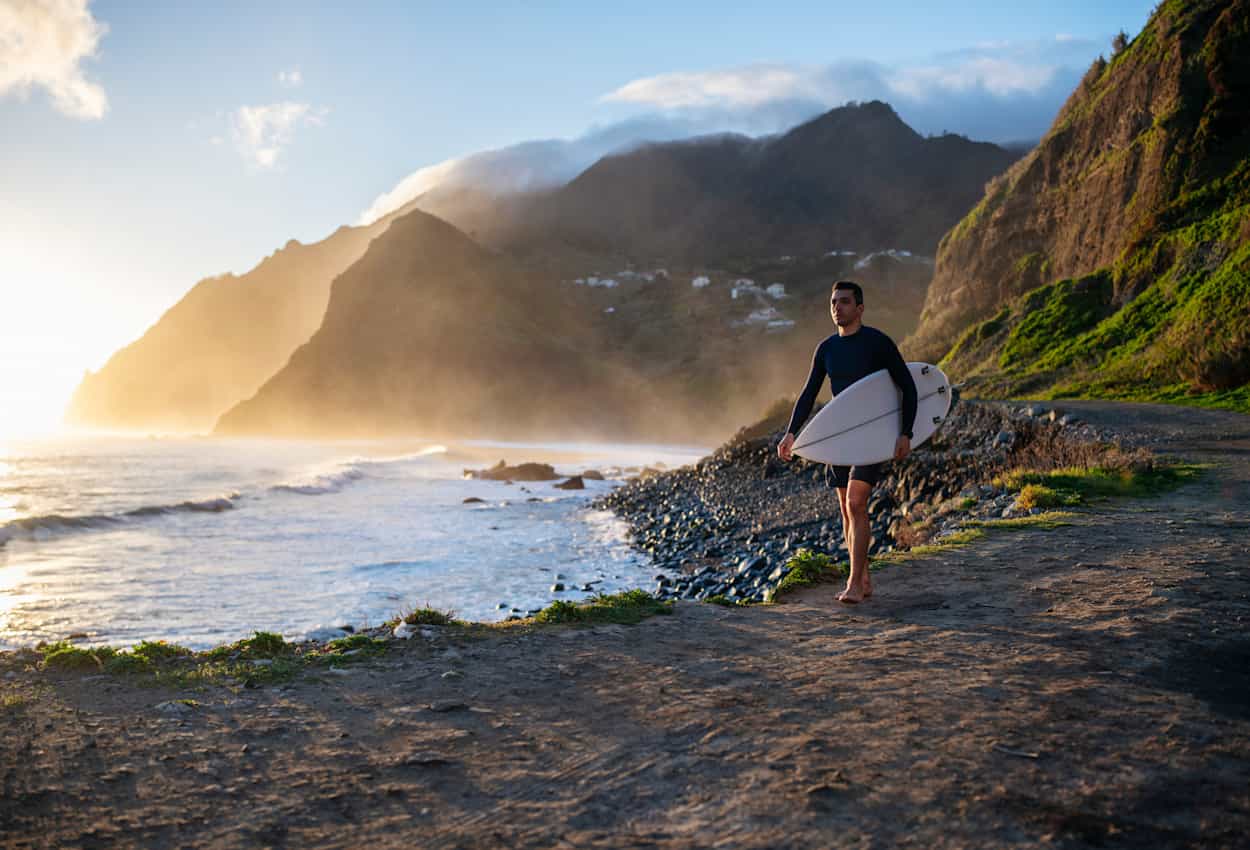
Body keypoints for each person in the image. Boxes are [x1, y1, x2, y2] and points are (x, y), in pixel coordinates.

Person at [777, 280, 917, 603]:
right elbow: (809, 393)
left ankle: (854, 583)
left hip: (872, 434)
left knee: (856, 502)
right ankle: (864, 578)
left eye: (844, 302)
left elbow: (908, 387)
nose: (837, 307)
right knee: (845, 508)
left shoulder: (878, 343)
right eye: (833, 303)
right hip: (841, 435)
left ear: (860, 308)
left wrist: (905, 433)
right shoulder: (826, 349)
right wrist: (791, 432)